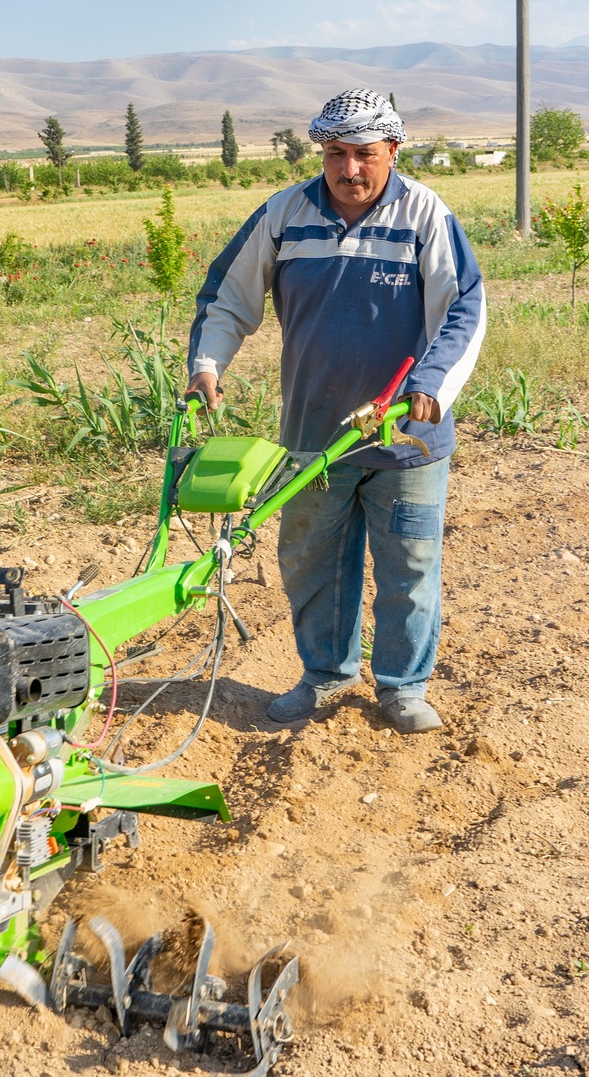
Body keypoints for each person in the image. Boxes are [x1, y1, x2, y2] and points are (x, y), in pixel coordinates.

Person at [187, 89, 486, 735]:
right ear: (321, 152)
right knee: (312, 560)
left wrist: (430, 383)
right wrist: (207, 364)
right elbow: (229, 295)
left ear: (393, 151)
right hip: (313, 432)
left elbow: (463, 308)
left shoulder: (424, 214)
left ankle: (403, 687)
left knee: (408, 565)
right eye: (336, 154)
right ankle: (325, 676)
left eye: (365, 155)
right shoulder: (284, 214)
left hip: (407, 437)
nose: (350, 170)